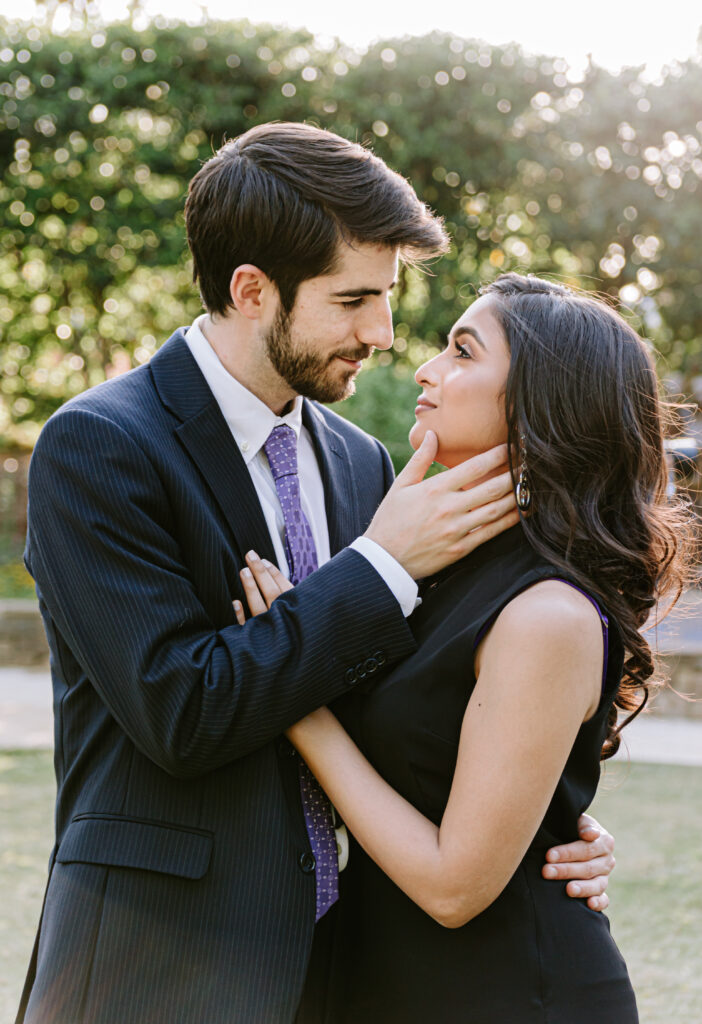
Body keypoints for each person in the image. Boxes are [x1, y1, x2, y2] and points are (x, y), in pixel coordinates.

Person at [18, 126, 616, 1024]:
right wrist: (379, 568)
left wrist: (537, 820)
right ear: (252, 291)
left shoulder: (365, 465)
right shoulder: (101, 445)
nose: (381, 333)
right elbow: (179, 711)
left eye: (387, 297)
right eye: (353, 300)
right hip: (157, 967)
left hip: (341, 966)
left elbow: (408, 703)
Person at [239, 273, 694, 1023]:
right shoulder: (435, 565)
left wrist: (297, 698)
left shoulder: (549, 613)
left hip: (509, 992)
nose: (425, 367)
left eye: (461, 351)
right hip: (383, 981)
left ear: (539, 402)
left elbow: (455, 886)